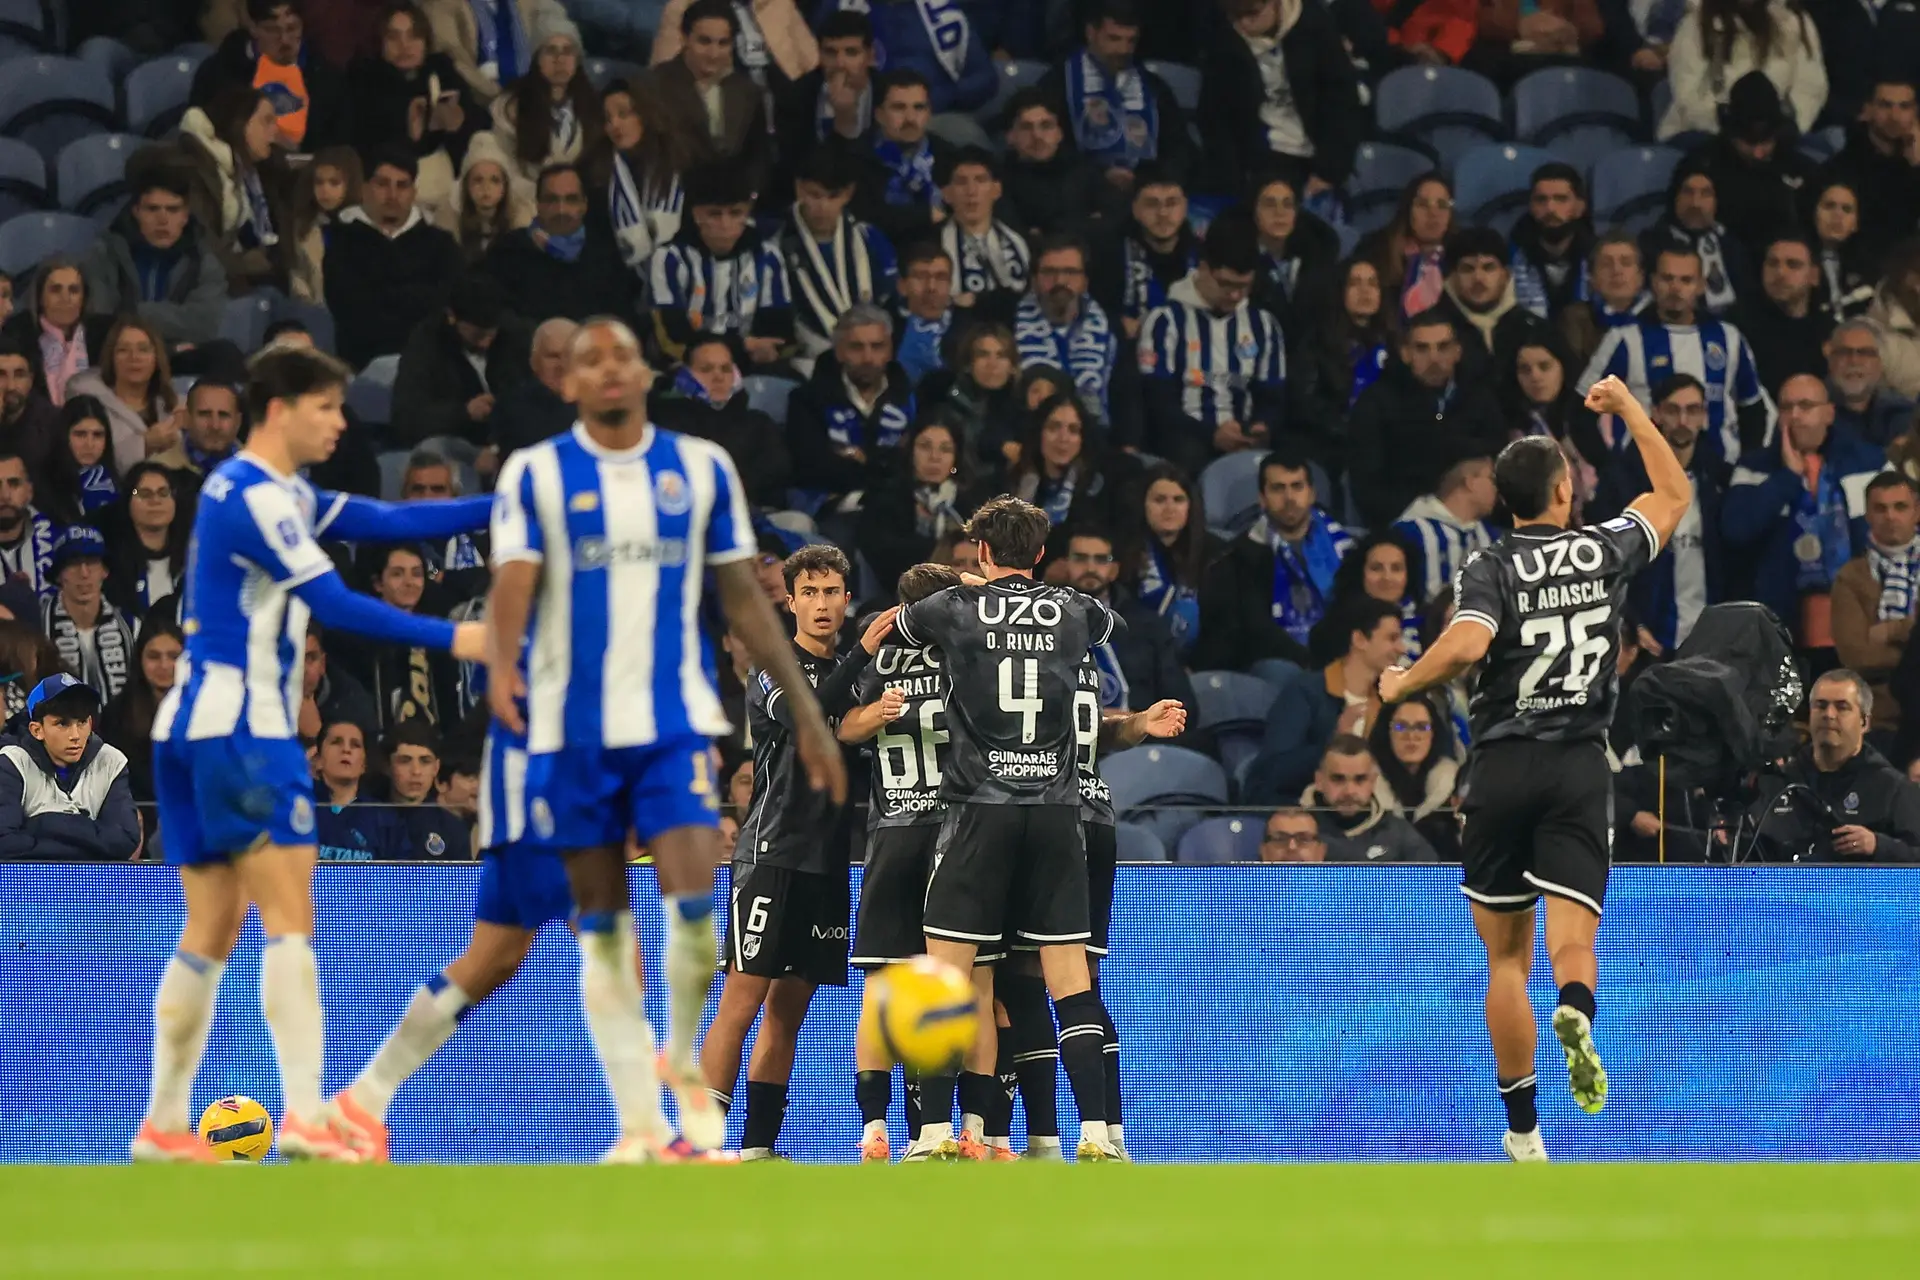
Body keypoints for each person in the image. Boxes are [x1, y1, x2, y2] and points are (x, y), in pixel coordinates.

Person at [483, 317, 845, 1161]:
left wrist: (808, 712)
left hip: (673, 726)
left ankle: (693, 1130)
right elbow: (514, 586)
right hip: (578, 732)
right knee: (605, 935)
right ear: (566, 380)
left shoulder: (701, 467)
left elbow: (744, 597)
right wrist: (503, 670)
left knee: (691, 924)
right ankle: (642, 1123)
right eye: (591, 359)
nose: (611, 370)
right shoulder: (535, 472)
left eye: (625, 355)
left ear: (649, 373)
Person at [133, 344, 489, 1163]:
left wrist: (507, 504)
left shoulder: (265, 490)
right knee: (289, 920)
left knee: (211, 927)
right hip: (247, 729)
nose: (340, 422)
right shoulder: (260, 497)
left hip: (190, 726)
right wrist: (457, 638)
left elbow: (391, 522)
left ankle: (163, 1124)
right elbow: (332, 600)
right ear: (279, 410)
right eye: (326, 407)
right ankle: (306, 1117)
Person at [1378, 374, 1693, 1162]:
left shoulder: (1489, 565)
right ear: (1563, 490)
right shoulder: (1602, 547)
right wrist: (1629, 409)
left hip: (1501, 767)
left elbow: (1469, 643)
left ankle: (1523, 1132)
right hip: (1579, 765)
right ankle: (1577, 1005)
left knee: (1505, 960)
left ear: (1503, 500)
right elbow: (1673, 494)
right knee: (1572, 940)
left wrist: (1402, 682)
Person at [887, 495, 1123, 1162]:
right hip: (1055, 813)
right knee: (1070, 981)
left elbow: (901, 628)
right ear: (1041, 553)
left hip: (976, 811)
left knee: (946, 976)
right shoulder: (1076, 607)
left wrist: (973, 587)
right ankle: (1096, 1133)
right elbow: (1107, 625)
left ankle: (933, 1133)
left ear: (983, 550)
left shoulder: (953, 606)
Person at [325, 635, 578, 1162]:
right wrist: (450, 637)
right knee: (607, 935)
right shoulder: (542, 613)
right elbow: (499, 671)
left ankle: (363, 1099)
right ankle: (651, 1127)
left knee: (495, 959)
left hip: (547, 778)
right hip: (544, 784)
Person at [702, 546, 877, 1160]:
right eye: (810, 593)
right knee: (742, 999)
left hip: (826, 862)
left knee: (788, 1008)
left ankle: (756, 1149)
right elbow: (811, 715)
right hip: (771, 854)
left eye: (831, 592)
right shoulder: (771, 668)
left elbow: (851, 724)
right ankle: (703, 1143)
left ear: (846, 599)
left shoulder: (855, 676)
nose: (821, 604)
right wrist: (862, 657)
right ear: (792, 601)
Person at [836, 560, 956, 1160]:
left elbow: (843, 728)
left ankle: (874, 1126)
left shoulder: (878, 658)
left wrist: (876, 713)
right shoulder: (968, 656)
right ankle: (946, 1128)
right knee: (953, 982)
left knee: (882, 988)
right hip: (952, 836)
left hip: (891, 832)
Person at [1723, 372, 1881, 653]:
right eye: (1786, 407)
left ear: (1829, 413)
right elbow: (1735, 531)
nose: (1794, 416)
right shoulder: (1753, 468)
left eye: (1805, 406)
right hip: (1776, 628)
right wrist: (1788, 477)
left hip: (1858, 623)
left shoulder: (1868, 463)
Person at [1579, 245, 1771, 470]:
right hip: (1644, 477)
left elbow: (1753, 411)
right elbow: (1581, 414)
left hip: (1718, 477)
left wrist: (1744, 469)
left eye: (1686, 280)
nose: (1675, 288)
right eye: (1667, 278)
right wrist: (1610, 468)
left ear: (1701, 285)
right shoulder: (1624, 339)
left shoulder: (1729, 338)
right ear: (1653, 282)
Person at [1138, 214, 1286, 478]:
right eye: (1226, 284)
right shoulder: (1165, 321)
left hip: (1243, 440)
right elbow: (1159, 403)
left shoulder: (1263, 325)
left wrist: (1260, 427)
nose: (1235, 295)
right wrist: (1212, 435)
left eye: (1244, 286)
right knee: (1187, 454)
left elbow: (1272, 396)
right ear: (1204, 268)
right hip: (1185, 441)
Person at [1589, 374, 1727, 653]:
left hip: (1709, 637)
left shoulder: (1720, 479)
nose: (1683, 420)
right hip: (1647, 640)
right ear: (1656, 413)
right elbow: (1603, 562)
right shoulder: (1621, 481)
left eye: (1693, 410)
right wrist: (1631, 622)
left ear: (1704, 416)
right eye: (1673, 410)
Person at [1348, 309, 1507, 528]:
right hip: (1404, 525)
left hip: (1478, 524)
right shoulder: (1376, 403)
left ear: (1457, 351)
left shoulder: (1480, 398)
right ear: (1405, 353)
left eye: (1443, 347)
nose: (1434, 359)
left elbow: (1500, 466)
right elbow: (1367, 488)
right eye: (1422, 348)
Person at [1193, 447, 1347, 672]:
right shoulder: (1238, 557)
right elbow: (1255, 630)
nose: (1289, 498)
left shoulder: (1344, 547)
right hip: (1278, 664)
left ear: (1312, 494)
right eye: (1278, 488)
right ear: (1262, 499)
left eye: (1297, 486)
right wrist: (1311, 661)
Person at [1242, 596, 1404, 803]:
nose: (1402, 648)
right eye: (1392, 639)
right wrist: (1332, 743)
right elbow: (1271, 772)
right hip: (1305, 812)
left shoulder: (1391, 702)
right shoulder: (1305, 692)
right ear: (1359, 640)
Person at [1746, 670, 1920, 862]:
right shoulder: (1779, 782)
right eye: (1820, 706)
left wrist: (1878, 845)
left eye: (1842, 707)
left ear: (1864, 722)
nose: (1829, 715)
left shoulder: (1893, 789)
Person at [1196, 0, 1361, 199]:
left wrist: (1329, 170)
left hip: (1315, 154)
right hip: (1258, 158)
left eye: (1252, 14)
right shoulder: (1224, 37)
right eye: (1235, 16)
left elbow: (1341, 101)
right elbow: (1214, 115)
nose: (1244, 24)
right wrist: (1234, 180)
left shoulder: (1313, 23)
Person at [326, 150, 468, 370]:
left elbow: (450, 304)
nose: (392, 195)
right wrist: (417, 298)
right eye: (382, 184)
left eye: (402, 186)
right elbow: (350, 308)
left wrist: (383, 296)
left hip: (431, 364)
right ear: (365, 189)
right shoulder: (341, 240)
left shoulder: (441, 244)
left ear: (414, 192)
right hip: (359, 365)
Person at [646, 163, 792, 363]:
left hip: (754, 364)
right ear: (696, 214)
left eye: (735, 213)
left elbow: (779, 329)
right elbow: (673, 338)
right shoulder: (669, 259)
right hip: (687, 367)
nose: (725, 224)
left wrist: (760, 351)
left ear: (748, 213)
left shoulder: (767, 256)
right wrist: (742, 346)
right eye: (714, 214)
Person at [1041, 0, 1194, 191]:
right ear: (1091, 33)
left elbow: (1179, 147)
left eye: (1131, 41)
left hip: (1146, 191)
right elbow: (1048, 146)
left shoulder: (1154, 86)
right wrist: (1098, 175)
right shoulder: (1058, 83)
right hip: (1080, 191)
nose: (1123, 50)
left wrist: (1151, 181)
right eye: (1114, 39)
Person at [348, 3, 480, 216]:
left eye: (413, 36)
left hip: (448, 188)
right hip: (389, 193)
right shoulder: (365, 83)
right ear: (380, 43)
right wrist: (409, 135)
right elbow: (362, 151)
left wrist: (458, 127)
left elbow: (473, 140)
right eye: (393, 37)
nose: (404, 45)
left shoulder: (444, 73)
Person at [81, 170, 231, 353]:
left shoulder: (204, 262)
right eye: (152, 209)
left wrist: (136, 312)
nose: (163, 220)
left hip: (180, 356)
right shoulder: (105, 254)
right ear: (136, 211)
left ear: (185, 215)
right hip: (119, 354)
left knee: (224, 352)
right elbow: (101, 323)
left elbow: (203, 325)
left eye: (173, 210)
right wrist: (168, 341)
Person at [1060, 525, 1201, 718]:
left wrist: (1139, 721)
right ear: (1064, 565)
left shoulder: (1149, 626)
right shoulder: (1037, 623)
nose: (1090, 568)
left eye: (1101, 560)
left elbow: (1183, 706)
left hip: (1137, 731)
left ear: (1114, 570)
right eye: (1080, 558)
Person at [171, 88, 298, 298]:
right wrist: (250, 264)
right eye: (266, 121)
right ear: (239, 123)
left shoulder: (261, 170)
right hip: (214, 289)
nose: (275, 131)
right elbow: (201, 248)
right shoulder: (197, 173)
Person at [0, 674, 141, 861]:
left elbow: (125, 840)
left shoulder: (110, 760)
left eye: (81, 722)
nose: (75, 735)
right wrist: (89, 844)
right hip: (28, 879)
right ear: (37, 730)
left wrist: (42, 824)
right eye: (62, 724)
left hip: (92, 879)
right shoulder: (12, 762)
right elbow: (4, 842)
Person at [642, 0, 772, 200]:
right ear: (684, 38)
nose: (714, 53)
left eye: (723, 43)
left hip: (734, 203)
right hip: (674, 200)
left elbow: (758, 155)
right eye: (704, 41)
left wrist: (749, 196)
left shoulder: (747, 91)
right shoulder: (655, 86)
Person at [780, 146, 898, 366]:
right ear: (799, 188)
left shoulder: (870, 239)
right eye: (814, 195)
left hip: (868, 357)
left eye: (833, 196)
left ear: (848, 193)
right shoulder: (775, 241)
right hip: (805, 358)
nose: (822, 206)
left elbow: (888, 302)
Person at [788, 304, 916, 505]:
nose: (868, 358)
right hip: (832, 510)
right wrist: (884, 463)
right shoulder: (806, 400)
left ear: (890, 350)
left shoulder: (912, 398)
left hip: (899, 506)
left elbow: (919, 466)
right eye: (857, 347)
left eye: (877, 346)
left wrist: (863, 461)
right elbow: (811, 469)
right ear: (839, 351)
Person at [485, 163, 639, 328]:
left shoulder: (607, 256)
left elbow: (623, 322)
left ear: (584, 205)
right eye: (551, 200)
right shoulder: (508, 251)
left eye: (571, 200)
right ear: (538, 205)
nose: (561, 210)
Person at [649, 334, 792, 509]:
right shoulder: (662, 422)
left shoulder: (758, 423)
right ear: (684, 375)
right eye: (706, 369)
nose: (718, 377)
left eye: (726, 369)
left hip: (753, 513)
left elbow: (777, 472)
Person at [190, 0, 350, 152]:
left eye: (292, 28)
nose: (284, 40)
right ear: (253, 27)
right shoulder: (220, 73)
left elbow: (338, 146)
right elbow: (199, 135)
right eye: (272, 30)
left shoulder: (325, 78)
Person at [391, 273, 527, 451]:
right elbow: (407, 419)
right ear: (451, 317)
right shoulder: (426, 346)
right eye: (477, 335)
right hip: (456, 443)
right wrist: (464, 413)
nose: (485, 343)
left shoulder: (513, 335)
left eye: (491, 334)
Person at [1657, 0, 1827, 140]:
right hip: (1705, 134)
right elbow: (1687, 97)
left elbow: (1810, 86)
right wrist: (1732, 128)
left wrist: (1789, 125)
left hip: (1774, 136)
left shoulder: (1794, 22)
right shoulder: (1696, 24)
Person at [1833, 473, 1920, 743]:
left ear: (1917, 511)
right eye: (1880, 508)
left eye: (1900, 507)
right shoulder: (1850, 577)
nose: (1890, 516)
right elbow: (1857, 657)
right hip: (1880, 717)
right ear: (1868, 515)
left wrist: (1891, 631)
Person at [856, 416, 987, 592]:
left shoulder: (973, 505)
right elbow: (882, 556)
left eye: (945, 449)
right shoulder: (884, 498)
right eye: (925, 447)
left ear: (956, 457)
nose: (935, 457)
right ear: (910, 451)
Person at [1293, 258, 1393, 469]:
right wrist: (1353, 431)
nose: (1365, 291)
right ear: (1339, 291)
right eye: (1355, 283)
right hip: (1332, 447)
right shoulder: (1317, 342)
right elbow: (1306, 405)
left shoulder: (1395, 342)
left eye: (1372, 283)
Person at [815, 0, 996, 115]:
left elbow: (985, 77)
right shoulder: (838, 6)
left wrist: (942, 96)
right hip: (858, 114)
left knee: (964, 137)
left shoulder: (944, 12)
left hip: (935, 119)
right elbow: (812, 64)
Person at [842, 70, 955, 253]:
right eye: (899, 108)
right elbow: (862, 218)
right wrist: (924, 215)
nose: (910, 118)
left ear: (929, 113)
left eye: (919, 108)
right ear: (879, 114)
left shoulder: (948, 155)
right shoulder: (855, 157)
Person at [1116, 463, 1222, 658]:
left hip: (1202, 659)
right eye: (1159, 500)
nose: (1169, 508)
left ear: (1190, 506)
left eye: (1178, 500)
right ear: (1143, 504)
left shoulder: (1216, 553)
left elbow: (1222, 623)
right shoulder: (1123, 552)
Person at [1015, 236, 1122, 427]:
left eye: (1070, 272)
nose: (1060, 281)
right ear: (1034, 280)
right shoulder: (1008, 325)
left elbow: (1128, 398)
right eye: (1049, 272)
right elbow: (963, 393)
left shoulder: (1112, 329)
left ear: (1085, 281)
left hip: (1098, 434)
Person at [998, 90, 1126, 247]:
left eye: (1046, 126)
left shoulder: (1084, 169)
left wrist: (1046, 230)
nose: (1037, 135)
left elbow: (1115, 219)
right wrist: (1087, 222)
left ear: (1059, 133)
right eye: (1026, 127)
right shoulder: (998, 180)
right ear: (1010, 136)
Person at [487, 11, 602, 187]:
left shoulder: (593, 106)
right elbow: (504, 171)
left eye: (567, 51)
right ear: (536, 59)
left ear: (577, 60)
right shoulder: (510, 108)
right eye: (550, 51)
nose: (560, 60)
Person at [62, 319, 185, 479]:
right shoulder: (87, 401)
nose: (134, 357)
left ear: (156, 358)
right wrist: (144, 445)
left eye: (143, 349)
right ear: (111, 358)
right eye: (123, 350)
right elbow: (86, 466)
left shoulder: (174, 404)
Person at [1435, 226, 1555, 386]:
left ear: (1505, 275)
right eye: (1468, 269)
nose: (1478, 278)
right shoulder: (1428, 332)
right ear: (1452, 276)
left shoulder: (1535, 329)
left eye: (1488, 267)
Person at [98, 621, 185, 828]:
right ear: (139, 660)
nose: (164, 665)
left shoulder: (205, 710)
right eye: (154, 656)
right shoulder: (117, 714)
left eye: (174, 657)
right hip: (134, 820)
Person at [1822, 78, 1920, 263]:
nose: (1895, 116)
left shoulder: (1914, 164)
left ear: (1915, 113)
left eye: (1904, 107)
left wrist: (1917, 166)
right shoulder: (1840, 168)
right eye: (1885, 105)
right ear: (1867, 110)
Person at [600, 76, 691, 275]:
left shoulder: (683, 166)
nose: (614, 124)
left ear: (646, 114)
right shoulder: (600, 177)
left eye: (623, 114)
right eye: (607, 119)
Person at [1639, 160, 1753, 315]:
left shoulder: (1732, 246)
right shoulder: (1650, 243)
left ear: (1717, 201)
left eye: (1705, 194)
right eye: (1688, 192)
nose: (1695, 203)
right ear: (1675, 197)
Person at [1300, 735, 1438, 862]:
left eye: (1360, 779)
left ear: (1373, 781)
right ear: (1319, 780)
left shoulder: (1401, 835)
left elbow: (1433, 879)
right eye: (1338, 779)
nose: (1349, 791)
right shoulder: (1294, 832)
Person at [40, 527, 137, 705]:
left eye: (92, 562)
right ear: (59, 574)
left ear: (105, 571)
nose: (84, 573)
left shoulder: (131, 626)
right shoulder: (37, 627)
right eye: (74, 563)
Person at [772, 8, 875, 172]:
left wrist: (846, 120)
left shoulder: (890, 93)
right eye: (830, 52)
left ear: (869, 56)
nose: (840, 63)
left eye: (851, 52)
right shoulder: (795, 96)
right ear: (819, 54)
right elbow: (791, 165)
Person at [1731, 234, 1833, 396]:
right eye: (1773, 263)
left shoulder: (1830, 332)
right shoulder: (1737, 327)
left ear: (1814, 276)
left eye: (1793, 265)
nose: (1780, 273)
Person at [1006, 394, 1124, 533]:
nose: (1063, 438)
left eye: (1073, 430)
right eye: (1053, 428)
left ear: (1082, 438)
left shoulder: (1098, 489)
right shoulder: (1010, 483)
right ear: (1038, 433)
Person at [419, 0, 571, 105]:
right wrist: (501, 98)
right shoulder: (442, 5)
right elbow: (451, 58)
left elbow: (554, 26)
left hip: (532, 97)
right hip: (479, 102)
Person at [1394, 453, 1498, 607]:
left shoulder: (1491, 537)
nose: (1497, 488)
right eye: (1492, 479)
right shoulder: (1409, 533)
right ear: (1470, 482)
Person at [1247, 172, 1342, 339]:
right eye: (1269, 204)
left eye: (1287, 205)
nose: (1279, 212)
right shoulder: (1242, 260)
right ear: (1254, 212)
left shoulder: (1315, 260)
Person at [936, 149, 1030, 318]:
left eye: (980, 180)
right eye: (961, 182)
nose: (971, 191)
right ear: (946, 194)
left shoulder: (1021, 242)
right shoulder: (933, 243)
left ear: (997, 190)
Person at [5, 260, 110, 409]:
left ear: (84, 298)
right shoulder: (16, 335)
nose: (65, 298)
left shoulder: (105, 335)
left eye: (74, 290)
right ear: (40, 298)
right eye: (55, 290)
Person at [915, 322, 1021, 470]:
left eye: (1001, 355)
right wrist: (997, 445)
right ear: (969, 364)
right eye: (983, 355)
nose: (992, 364)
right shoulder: (946, 400)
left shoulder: (1022, 406)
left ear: (1013, 367)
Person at [1368, 691, 1460, 857]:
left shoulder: (1455, 787)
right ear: (1386, 731)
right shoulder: (1365, 786)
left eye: (1421, 727)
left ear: (1433, 733)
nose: (1411, 736)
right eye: (1401, 727)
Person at [1112, 164, 1199, 337]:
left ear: (1185, 207)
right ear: (1135, 209)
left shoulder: (1204, 255)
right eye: (1152, 204)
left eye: (1172, 203)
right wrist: (1117, 324)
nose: (1163, 213)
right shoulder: (1111, 254)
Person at [1359, 174, 1454, 322]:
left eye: (1442, 205)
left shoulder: (1463, 254)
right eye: (1423, 204)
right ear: (1408, 210)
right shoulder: (1376, 250)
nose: (1433, 213)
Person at [312, 717, 407, 861]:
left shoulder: (386, 820)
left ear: (363, 765)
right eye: (336, 742)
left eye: (355, 745)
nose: (346, 750)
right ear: (318, 760)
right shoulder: (296, 807)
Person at [1555, 232, 1649, 373]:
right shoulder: (1575, 319)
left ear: (1641, 276)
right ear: (1592, 277)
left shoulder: (1657, 317)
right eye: (1606, 264)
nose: (1616, 271)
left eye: (1626, 263)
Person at [436, 133, 534, 266]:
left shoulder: (520, 215)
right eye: (478, 180)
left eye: (495, 180)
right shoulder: (449, 215)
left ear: (505, 186)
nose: (486, 188)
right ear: (466, 186)